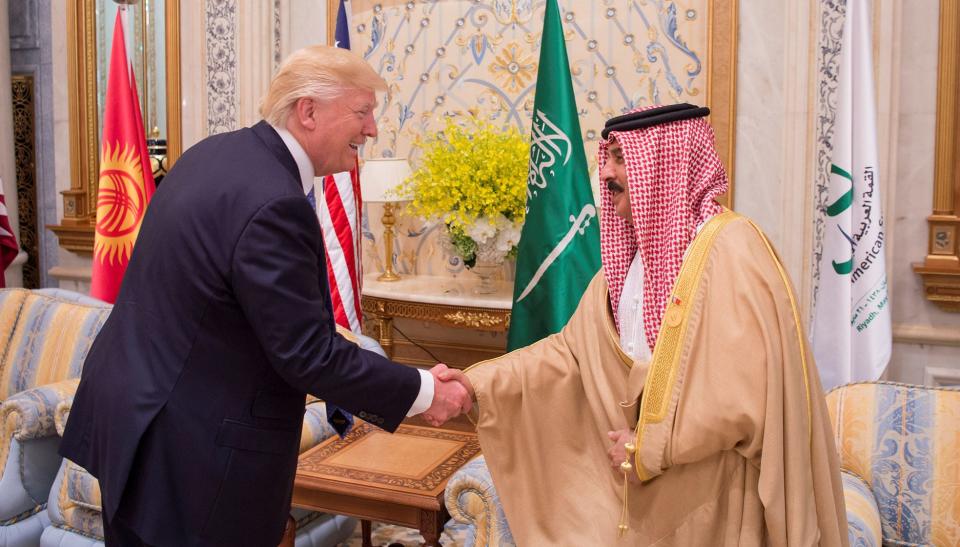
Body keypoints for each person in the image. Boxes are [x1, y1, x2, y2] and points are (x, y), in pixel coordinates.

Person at [60, 45, 471, 547]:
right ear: (308, 111)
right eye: (362, 112)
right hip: (194, 457)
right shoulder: (274, 200)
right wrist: (425, 391)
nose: (372, 130)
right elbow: (307, 353)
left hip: (137, 425)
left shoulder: (213, 153)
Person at [444, 104, 849, 545]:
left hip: (709, 496)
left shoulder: (732, 250)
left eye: (622, 158)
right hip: (637, 491)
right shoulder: (630, 260)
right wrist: (474, 385)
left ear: (664, 165)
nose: (608, 172)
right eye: (609, 156)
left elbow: (746, 392)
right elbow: (571, 355)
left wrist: (650, 446)